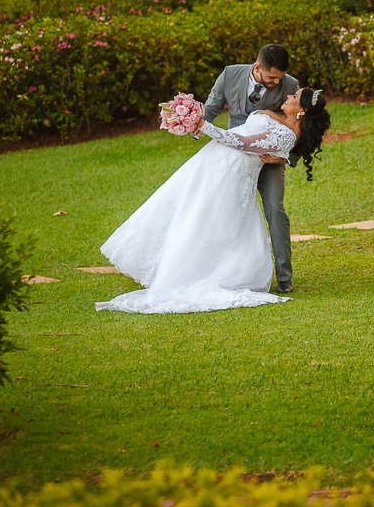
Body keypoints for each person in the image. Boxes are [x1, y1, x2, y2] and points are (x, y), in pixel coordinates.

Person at [96, 88, 331, 314]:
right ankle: (171, 266)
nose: (289, 96)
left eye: (295, 96)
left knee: (205, 220)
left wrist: (202, 125)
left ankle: (192, 273)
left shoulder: (286, 135)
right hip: (214, 162)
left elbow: (241, 142)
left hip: (229, 173)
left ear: (302, 111)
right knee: (185, 210)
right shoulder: (278, 116)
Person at [201, 44, 300, 292]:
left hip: (269, 161)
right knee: (226, 213)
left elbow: (303, 128)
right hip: (234, 159)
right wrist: (191, 122)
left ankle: (284, 277)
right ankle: (225, 273)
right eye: (271, 78)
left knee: (276, 211)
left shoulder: (290, 85)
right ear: (257, 68)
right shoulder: (229, 74)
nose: (277, 82)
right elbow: (210, 109)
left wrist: (286, 157)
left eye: (279, 78)